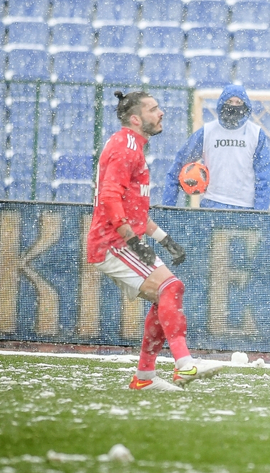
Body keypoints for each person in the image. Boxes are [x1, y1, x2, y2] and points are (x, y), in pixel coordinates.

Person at [87, 90, 223, 391]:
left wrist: (165, 240)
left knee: (168, 294)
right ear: (136, 118)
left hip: (122, 238)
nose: (160, 113)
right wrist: (134, 243)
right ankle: (185, 365)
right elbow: (110, 199)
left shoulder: (131, 144)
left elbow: (134, 209)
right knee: (170, 287)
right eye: (153, 109)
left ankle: (145, 377)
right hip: (113, 241)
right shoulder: (125, 146)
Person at [162, 84, 270, 210]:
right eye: (229, 101)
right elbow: (178, 165)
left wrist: (260, 213)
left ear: (245, 105)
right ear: (221, 103)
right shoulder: (207, 131)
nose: (233, 106)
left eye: (238, 102)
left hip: (246, 207)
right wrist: (168, 207)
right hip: (212, 204)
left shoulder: (256, 134)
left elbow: (264, 177)